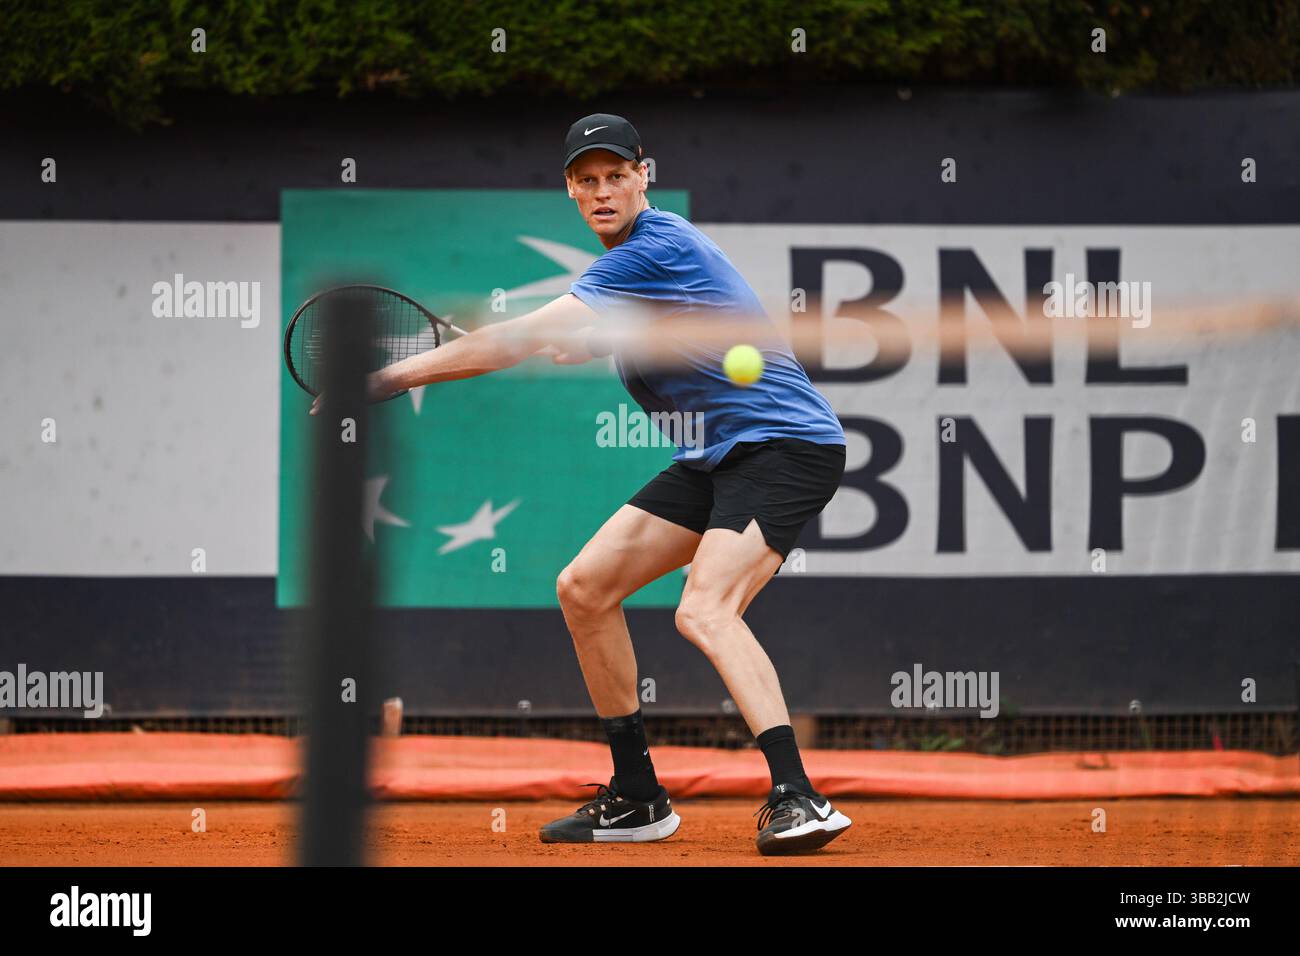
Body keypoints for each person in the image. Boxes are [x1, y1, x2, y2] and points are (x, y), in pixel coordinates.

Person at [338, 113, 851, 855]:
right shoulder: (637, 264)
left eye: (616, 175)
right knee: (584, 589)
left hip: (784, 447)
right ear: (571, 191)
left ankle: (799, 796)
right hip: (715, 457)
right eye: (588, 180)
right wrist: (584, 342)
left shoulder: (656, 244)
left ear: (644, 175)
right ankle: (638, 796)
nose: (603, 190)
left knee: (705, 608)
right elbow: (634, 324)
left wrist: (390, 377)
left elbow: (514, 339)